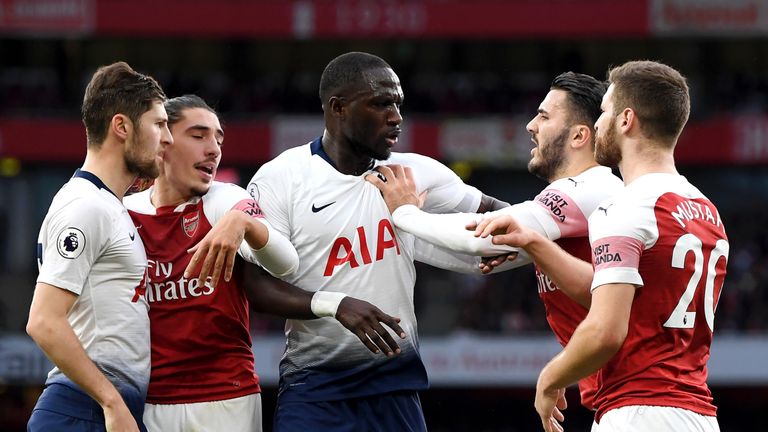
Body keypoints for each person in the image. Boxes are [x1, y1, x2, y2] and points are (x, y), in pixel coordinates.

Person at [246, 51, 509, 431]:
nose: (396, 117)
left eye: (398, 104)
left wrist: (558, 216)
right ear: (337, 108)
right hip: (315, 392)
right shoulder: (280, 178)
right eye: (381, 103)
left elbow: (496, 211)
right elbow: (255, 284)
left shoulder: (414, 172)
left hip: (396, 388)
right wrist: (334, 305)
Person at [125, 94, 406, 432]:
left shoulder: (225, 200)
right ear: (163, 141)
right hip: (151, 398)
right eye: (199, 136)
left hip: (225, 399)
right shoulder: (125, 213)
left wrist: (245, 224)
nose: (213, 148)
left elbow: (285, 263)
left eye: (218, 138)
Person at [475, 61, 728, 432]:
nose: (597, 123)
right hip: (698, 415)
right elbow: (607, 290)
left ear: (626, 120)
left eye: (605, 111)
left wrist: (550, 377)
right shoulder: (706, 210)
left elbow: (605, 331)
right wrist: (534, 241)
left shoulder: (625, 206)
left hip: (638, 411)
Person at [367, 72, 623, 411]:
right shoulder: (587, 202)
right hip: (621, 396)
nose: (531, 125)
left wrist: (405, 213)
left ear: (578, 135)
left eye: (544, 116)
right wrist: (403, 233)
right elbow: (479, 261)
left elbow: (481, 242)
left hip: (641, 398)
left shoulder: (589, 189)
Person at [27, 62, 170, 432]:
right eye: (158, 124)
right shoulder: (85, 206)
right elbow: (43, 321)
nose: (167, 138)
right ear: (121, 127)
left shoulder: (109, 205)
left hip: (101, 406)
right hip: (83, 408)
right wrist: (110, 401)